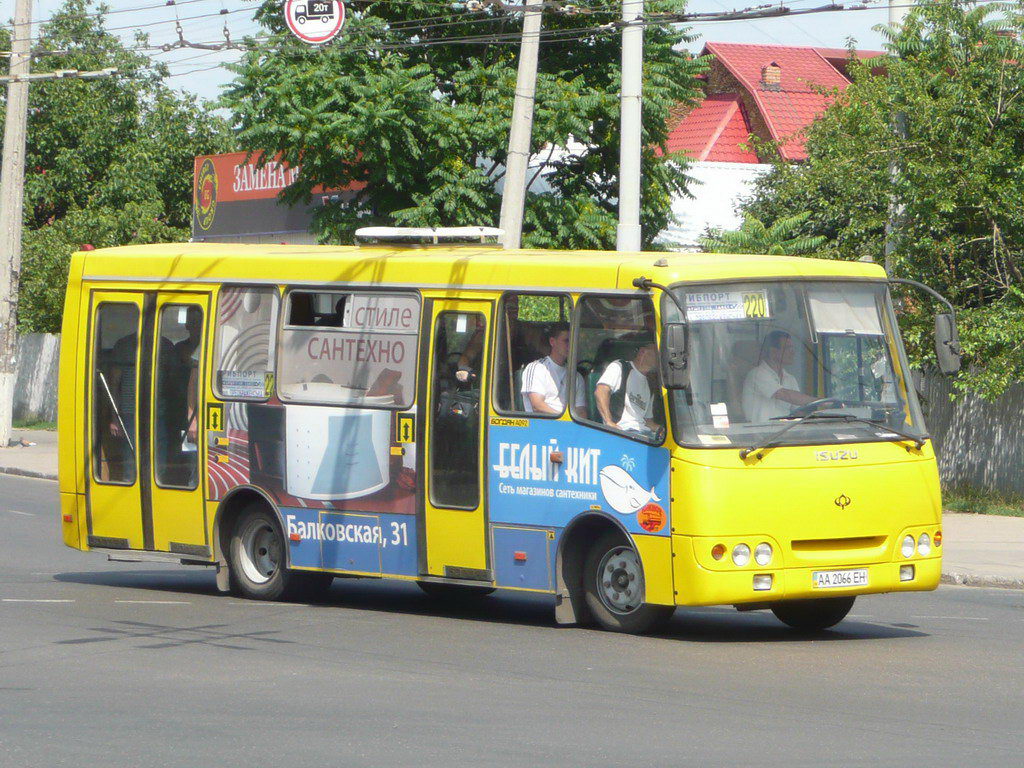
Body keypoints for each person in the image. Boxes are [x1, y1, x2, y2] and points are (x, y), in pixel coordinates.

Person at [741, 330, 815, 422]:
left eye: (792, 348)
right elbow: (785, 395)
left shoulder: (790, 379)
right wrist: (817, 401)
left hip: (783, 432)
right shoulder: (757, 374)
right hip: (759, 432)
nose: (793, 352)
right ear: (773, 352)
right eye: (788, 348)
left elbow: (798, 410)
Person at [594, 337, 660, 434]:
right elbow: (601, 391)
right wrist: (609, 422)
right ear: (642, 352)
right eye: (656, 352)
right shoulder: (620, 367)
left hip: (644, 432)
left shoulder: (650, 384)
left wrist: (662, 430)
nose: (660, 357)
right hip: (624, 432)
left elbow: (647, 421)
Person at [520, 323, 586, 416]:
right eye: (566, 341)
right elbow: (537, 406)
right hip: (541, 426)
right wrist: (564, 418)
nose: (570, 345)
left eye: (573, 341)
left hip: (569, 427)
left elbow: (581, 411)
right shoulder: (537, 368)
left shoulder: (577, 376)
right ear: (552, 342)